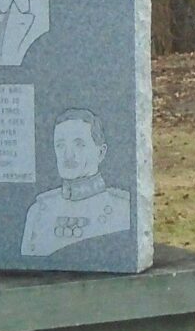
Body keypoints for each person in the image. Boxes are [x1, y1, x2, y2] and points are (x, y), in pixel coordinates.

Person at [21, 109, 130, 256]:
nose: (68, 155)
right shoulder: (39, 211)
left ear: (101, 153)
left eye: (79, 144)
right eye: (60, 145)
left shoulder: (122, 209)